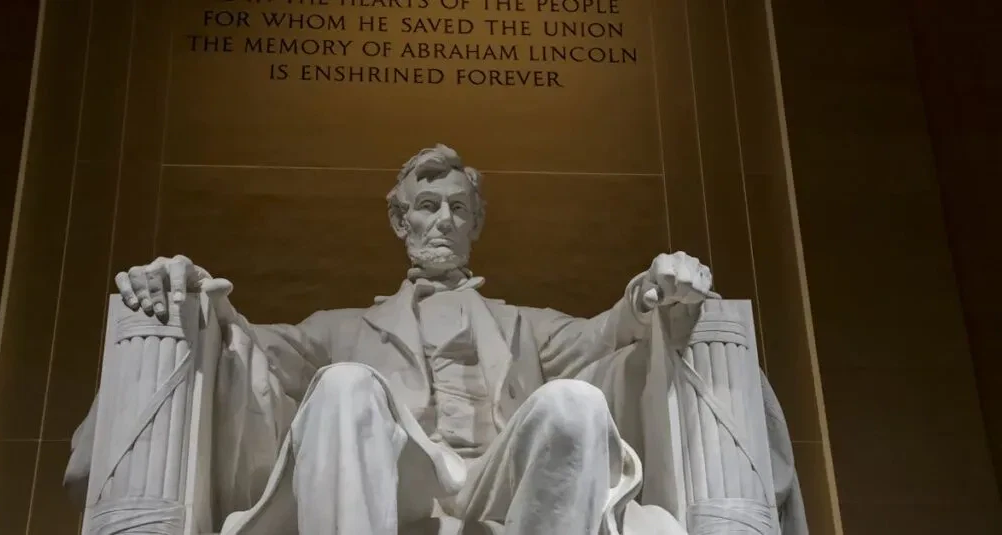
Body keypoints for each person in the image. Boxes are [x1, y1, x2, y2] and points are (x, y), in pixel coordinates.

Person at [68, 144, 719, 535]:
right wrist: (192, 291)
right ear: (399, 218)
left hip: (497, 475)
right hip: (403, 472)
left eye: (458, 208)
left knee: (575, 401)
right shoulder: (343, 328)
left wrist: (653, 288)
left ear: (476, 224)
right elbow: (250, 346)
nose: (443, 219)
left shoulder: (525, 322)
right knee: (347, 384)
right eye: (428, 204)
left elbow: (611, 333)